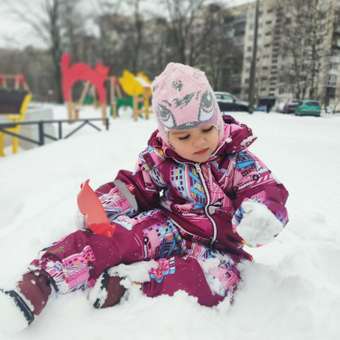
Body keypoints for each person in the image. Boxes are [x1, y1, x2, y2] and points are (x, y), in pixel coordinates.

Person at [0, 63, 288, 332]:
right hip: (169, 226)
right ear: (166, 135)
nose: (199, 141)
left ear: (217, 122)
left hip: (221, 248)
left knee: (219, 282)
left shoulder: (237, 161)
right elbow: (138, 186)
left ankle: (131, 283)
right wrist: (108, 203)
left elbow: (262, 188)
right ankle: (41, 280)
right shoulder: (162, 159)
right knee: (119, 236)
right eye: (184, 137)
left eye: (206, 129)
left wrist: (261, 214)